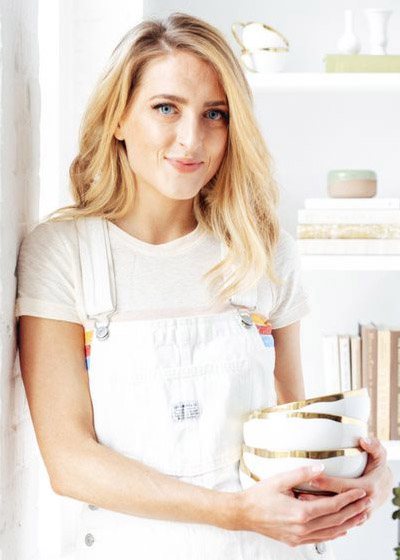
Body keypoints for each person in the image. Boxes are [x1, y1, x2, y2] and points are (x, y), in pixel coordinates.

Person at [15, 11, 392, 560]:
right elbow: (70, 463)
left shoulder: (264, 249)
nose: (191, 140)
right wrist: (235, 513)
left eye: (214, 114)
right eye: (165, 108)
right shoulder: (66, 252)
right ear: (118, 118)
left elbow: (293, 425)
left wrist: (366, 483)